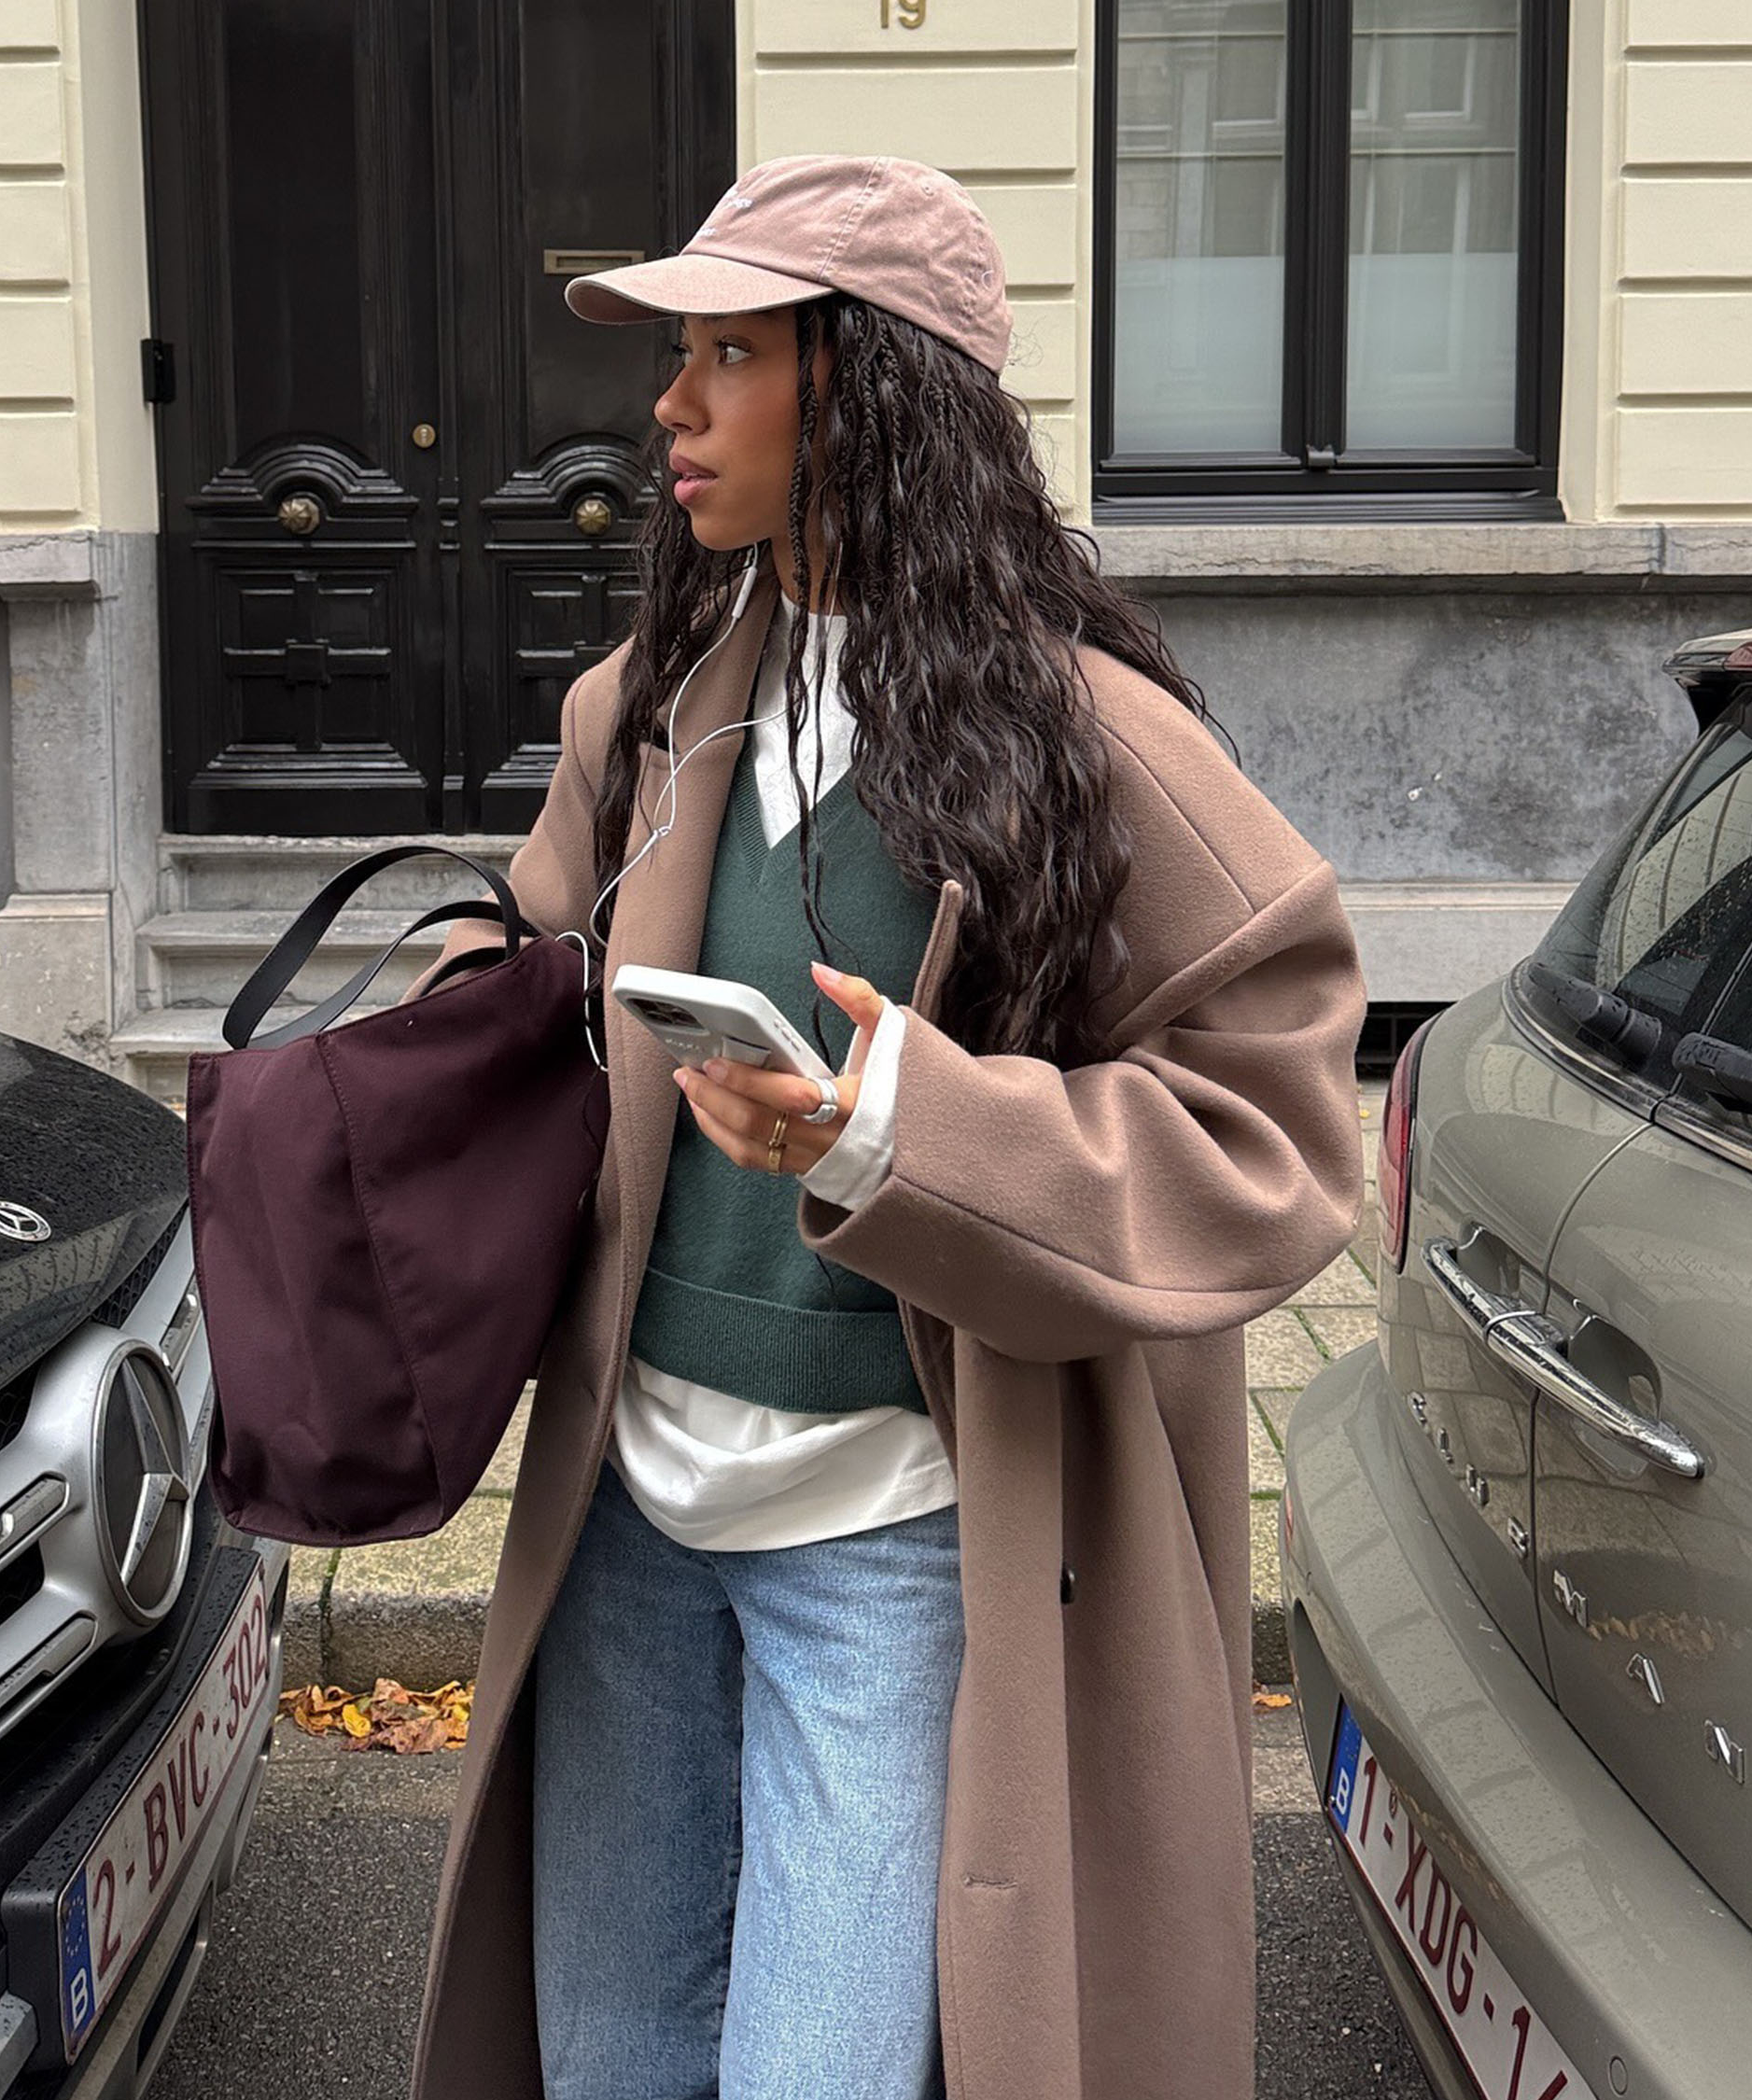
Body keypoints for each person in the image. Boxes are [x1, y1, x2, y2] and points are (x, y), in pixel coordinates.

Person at [394, 155, 1367, 2100]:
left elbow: (1276, 1132)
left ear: (867, 388)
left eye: (729, 356)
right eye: (679, 357)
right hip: (629, 1515)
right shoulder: (651, 708)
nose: (669, 407)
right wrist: (449, 1011)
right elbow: (538, 941)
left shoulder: (1082, 742)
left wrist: (892, 1131)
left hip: (896, 1539)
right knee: (608, 2065)